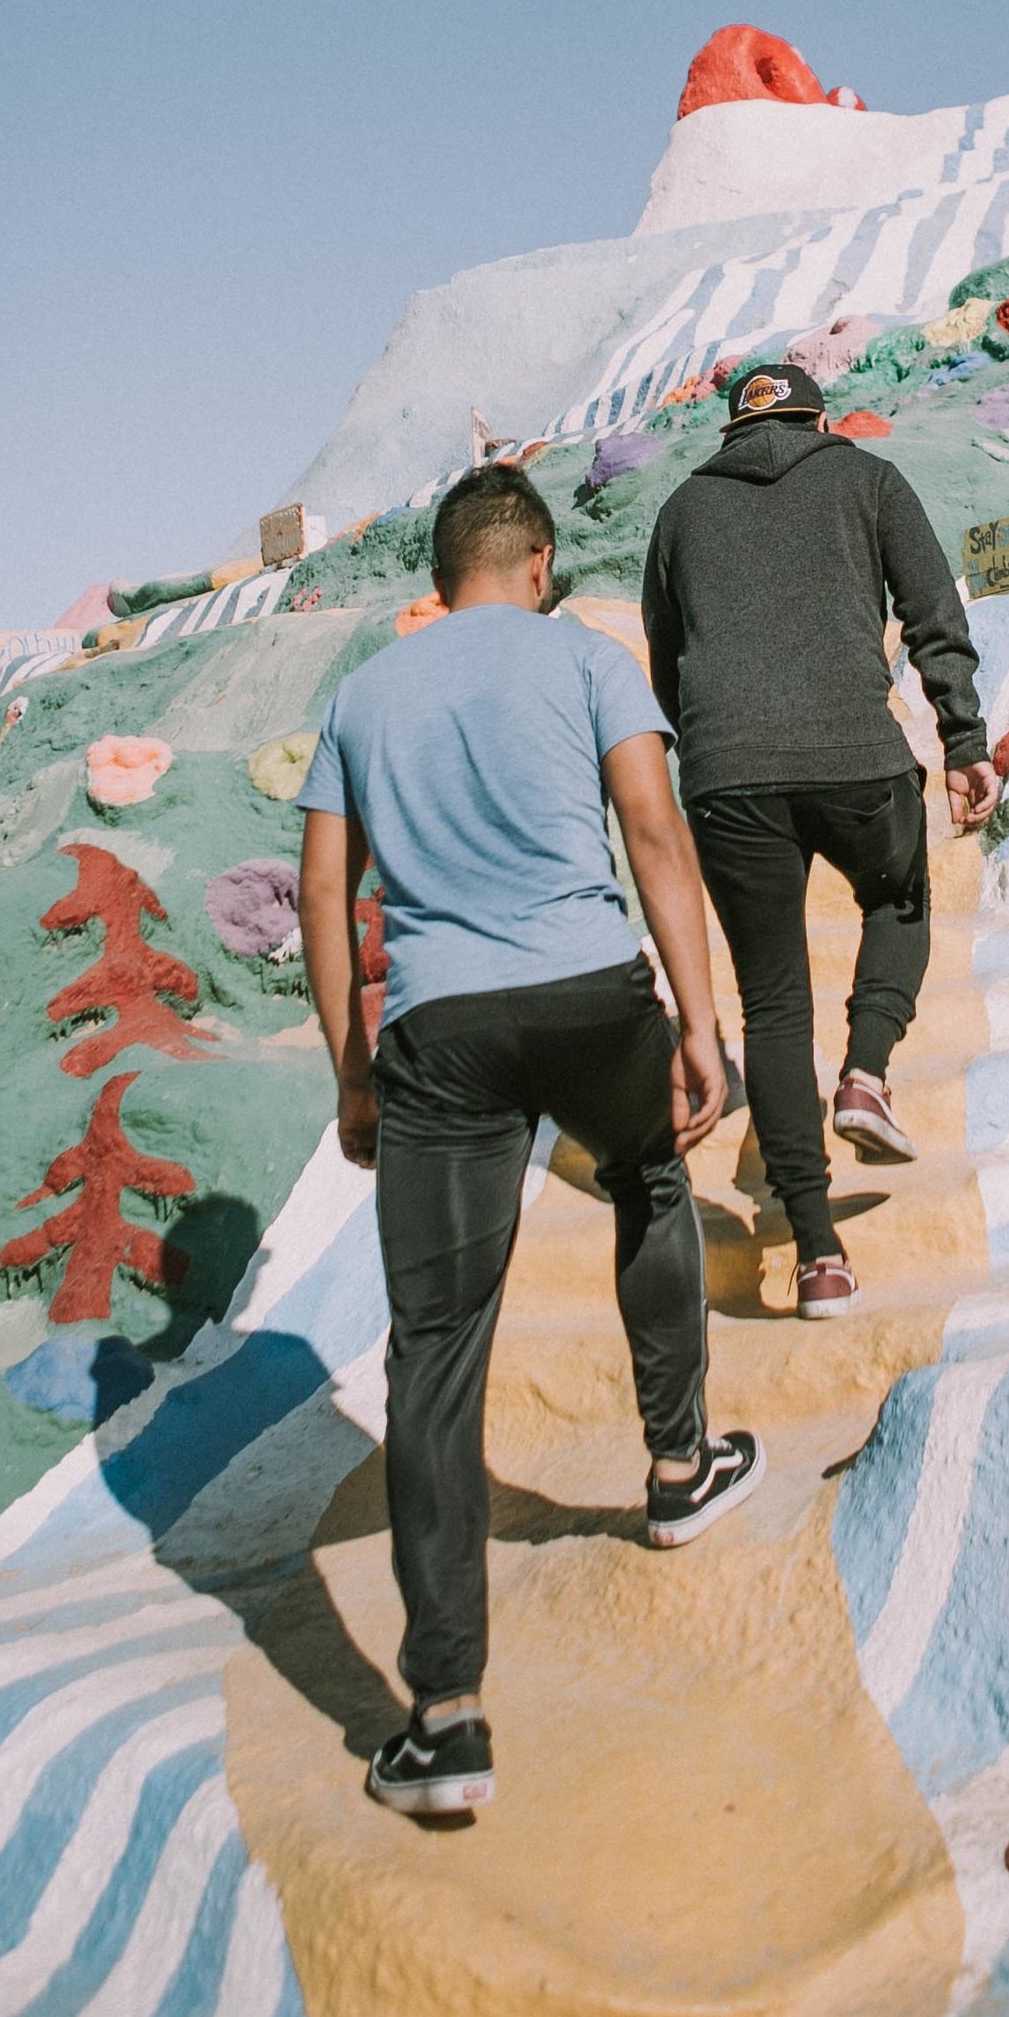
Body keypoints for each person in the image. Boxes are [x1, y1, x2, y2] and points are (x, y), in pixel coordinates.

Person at [297, 458, 759, 1823]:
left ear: (442, 577)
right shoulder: (586, 656)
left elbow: (327, 886)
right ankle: (677, 1466)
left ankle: (443, 1718)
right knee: (649, 1170)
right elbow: (655, 831)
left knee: (434, 1353)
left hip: (440, 1028)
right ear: (540, 562)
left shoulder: (366, 696)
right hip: (587, 990)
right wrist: (701, 1021)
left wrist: (352, 1072)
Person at [640, 358, 996, 1322]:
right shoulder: (866, 477)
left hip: (727, 778)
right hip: (852, 755)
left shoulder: (679, 512)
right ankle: (868, 1072)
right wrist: (964, 738)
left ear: (730, 431)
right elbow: (934, 614)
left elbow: (667, 665)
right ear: (820, 419)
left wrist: (719, 747)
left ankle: (816, 1253)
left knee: (773, 1004)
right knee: (897, 892)